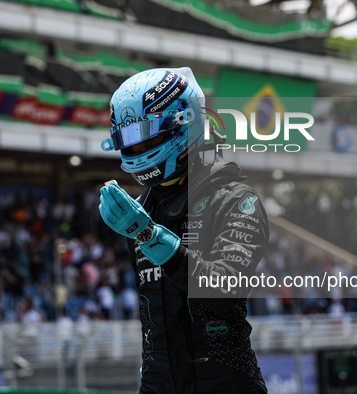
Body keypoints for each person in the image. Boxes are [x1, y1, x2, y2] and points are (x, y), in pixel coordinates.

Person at [99, 67, 269, 393]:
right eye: (128, 142)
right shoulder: (139, 212)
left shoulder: (236, 201)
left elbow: (221, 292)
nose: (137, 150)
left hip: (226, 384)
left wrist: (150, 236)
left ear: (184, 121)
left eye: (147, 136)